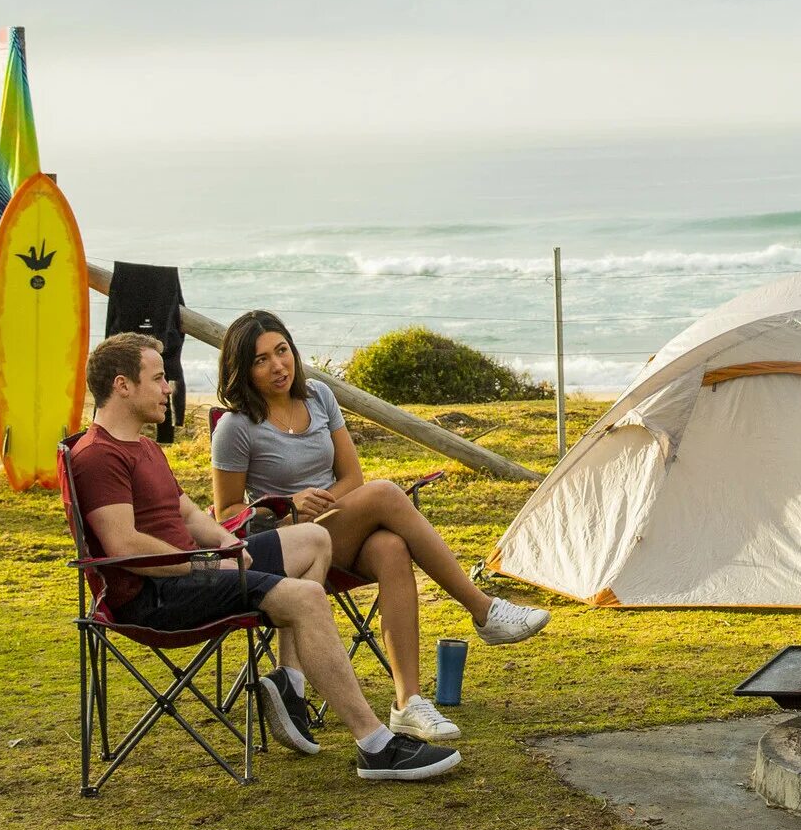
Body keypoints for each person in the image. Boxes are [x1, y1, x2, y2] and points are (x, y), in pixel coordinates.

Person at [71, 331, 459, 783]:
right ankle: (375, 745)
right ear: (122, 385)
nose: (168, 387)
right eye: (158, 378)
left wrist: (228, 545)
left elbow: (189, 513)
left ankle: (290, 684)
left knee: (313, 540)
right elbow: (124, 547)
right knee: (305, 599)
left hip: (195, 572)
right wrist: (207, 563)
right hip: (159, 595)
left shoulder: (144, 445)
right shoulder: (98, 456)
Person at [210, 309, 548, 745]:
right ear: (242, 369)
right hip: (285, 550)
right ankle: (483, 610)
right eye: (261, 359)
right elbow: (228, 515)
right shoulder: (237, 428)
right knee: (388, 494)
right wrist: (290, 507)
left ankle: (408, 703)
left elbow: (352, 478)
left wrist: (327, 507)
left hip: (336, 527)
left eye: (282, 350)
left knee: (390, 546)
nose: (278, 365)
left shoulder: (318, 398)